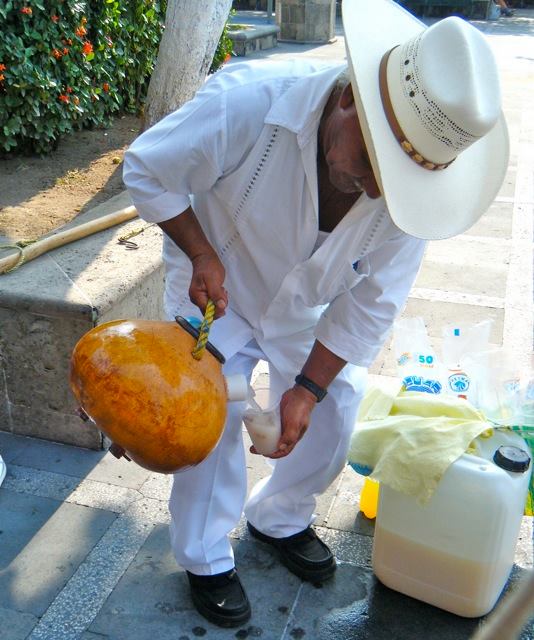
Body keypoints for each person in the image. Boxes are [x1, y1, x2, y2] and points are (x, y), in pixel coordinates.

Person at [123, 0, 509, 628]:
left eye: (401, 181)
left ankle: (279, 517)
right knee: (208, 413)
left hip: (300, 308)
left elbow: (370, 304)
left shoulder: (406, 203)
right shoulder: (247, 103)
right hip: (213, 287)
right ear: (350, 96)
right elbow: (147, 168)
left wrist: (306, 389)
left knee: (336, 407)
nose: (377, 191)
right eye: (375, 165)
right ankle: (203, 556)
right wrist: (198, 251)